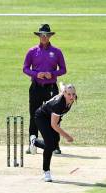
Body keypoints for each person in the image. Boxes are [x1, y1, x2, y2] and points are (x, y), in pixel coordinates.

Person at [23, 23, 67, 154]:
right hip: (36, 87)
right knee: (34, 115)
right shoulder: (32, 51)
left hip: (51, 88)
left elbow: (63, 69)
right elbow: (25, 68)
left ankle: (55, 145)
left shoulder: (57, 52)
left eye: (46, 35)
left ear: (49, 36)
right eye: (41, 35)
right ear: (39, 36)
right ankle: (32, 145)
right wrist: (36, 74)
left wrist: (52, 74)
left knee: (54, 116)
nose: (44, 37)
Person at [30, 83, 77, 182]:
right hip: (41, 117)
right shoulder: (58, 105)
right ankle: (46, 172)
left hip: (52, 117)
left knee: (54, 144)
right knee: (50, 144)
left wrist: (62, 85)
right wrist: (68, 136)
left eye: (73, 94)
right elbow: (54, 125)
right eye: (69, 94)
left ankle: (34, 141)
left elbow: (62, 88)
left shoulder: (71, 97)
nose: (72, 96)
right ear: (64, 94)